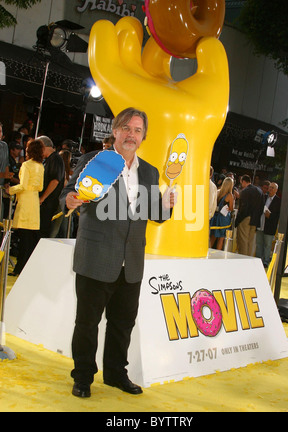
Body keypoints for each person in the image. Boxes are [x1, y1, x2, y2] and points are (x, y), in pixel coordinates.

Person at [60, 107, 176, 399]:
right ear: (114, 131)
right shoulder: (93, 160)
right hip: (96, 258)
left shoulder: (149, 171)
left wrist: (166, 205)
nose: (131, 135)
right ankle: (83, 376)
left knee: (123, 324)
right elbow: (70, 193)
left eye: (137, 130)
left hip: (132, 262)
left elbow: (155, 216)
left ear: (143, 136)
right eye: (126, 128)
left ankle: (115, 373)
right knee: (87, 324)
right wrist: (71, 200)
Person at [5, 139, 44, 276]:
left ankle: (19, 269)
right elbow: (40, 187)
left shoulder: (27, 165)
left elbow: (23, 186)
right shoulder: (40, 166)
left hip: (25, 203)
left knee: (24, 240)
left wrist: (9, 190)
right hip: (34, 201)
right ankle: (24, 269)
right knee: (29, 240)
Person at [38, 136, 65, 238]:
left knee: (44, 231)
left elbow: (55, 180)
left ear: (43, 146)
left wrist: (42, 198)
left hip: (50, 204)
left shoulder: (56, 159)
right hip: (46, 203)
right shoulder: (48, 160)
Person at [235, 174, 264, 256]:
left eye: (241, 182)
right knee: (251, 242)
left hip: (245, 218)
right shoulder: (260, 191)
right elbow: (262, 207)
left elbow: (243, 208)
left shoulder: (244, 191)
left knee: (243, 241)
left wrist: (238, 220)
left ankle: (243, 260)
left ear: (243, 181)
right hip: (255, 219)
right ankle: (249, 259)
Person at [256, 182, 281, 267]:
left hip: (270, 227)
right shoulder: (264, 197)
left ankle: (266, 261)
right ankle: (258, 259)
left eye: (272, 188)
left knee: (267, 245)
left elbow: (278, 215)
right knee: (259, 243)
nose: (270, 189)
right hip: (261, 224)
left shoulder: (278, 201)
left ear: (276, 190)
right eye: (269, 187)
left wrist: (270, 215)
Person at [210, 177, 234, 250]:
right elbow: (231, 208)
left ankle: (208, 252)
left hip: (215, 217)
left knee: (213, 236)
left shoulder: (218, 192)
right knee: (221, 238)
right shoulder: (230, 195)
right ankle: (218, 257)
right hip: (224, 219)